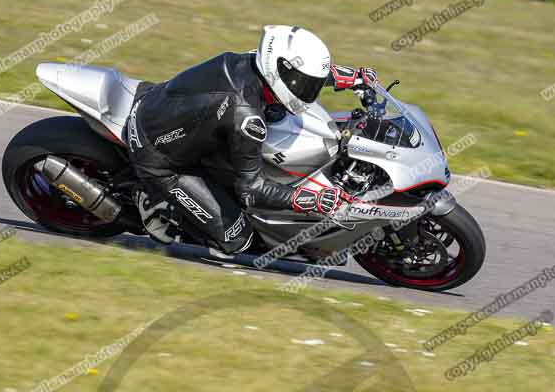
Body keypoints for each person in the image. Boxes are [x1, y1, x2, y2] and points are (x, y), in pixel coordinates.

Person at [128, 25, 379, 255]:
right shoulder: (247, 118)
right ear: (277, 68)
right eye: (306, 84)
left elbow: (300, 76)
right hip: (161, 159)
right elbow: (251, 190)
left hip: (165, 108)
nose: (309, 91)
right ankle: (155, 203)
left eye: (310, 84)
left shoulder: (255, 62)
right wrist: (313, 199)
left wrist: (354, 78)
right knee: (237, 239)